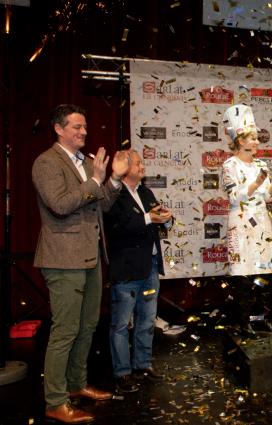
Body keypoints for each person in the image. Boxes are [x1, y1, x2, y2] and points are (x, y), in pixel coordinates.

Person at [32, 104, 130, 423]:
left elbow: (103, 204)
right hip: (62, 257)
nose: (84, 132)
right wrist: (94, 181)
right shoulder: (46, 162)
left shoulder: (87, 163)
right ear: (59, 129)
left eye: (85, 127)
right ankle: (55, 401)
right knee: (65, 330)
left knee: (87, 326)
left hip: (90, 256)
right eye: (77, 127)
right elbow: (60, 206)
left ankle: (76, 384)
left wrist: (111, 179)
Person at [105, 149, 173, 394]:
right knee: (121, 324)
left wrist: (166, 218)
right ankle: (122, 373)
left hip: (150, 267)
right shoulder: (113, 195)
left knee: (146, 320)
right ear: (125, 168)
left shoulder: (145, 192)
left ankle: (142, 365)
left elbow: (156, 219)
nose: (143, 166)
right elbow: (116, 227)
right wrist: (148, 218)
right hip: (126, 270)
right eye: (138, 163)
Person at [221, 104, 272, 336]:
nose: (257, 142)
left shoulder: (261, 165)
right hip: (240, 224)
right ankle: (243, 322)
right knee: (243, 275)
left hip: (261, 222)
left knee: (263, 274)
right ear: (241, 141)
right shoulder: (229, 165)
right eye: (253, 138)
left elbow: (267, 194)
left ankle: (260, 319)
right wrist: (256, 185)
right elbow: (233, 196)